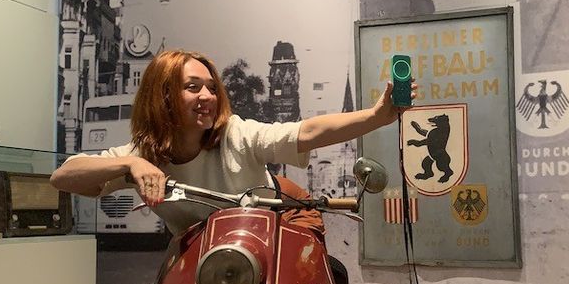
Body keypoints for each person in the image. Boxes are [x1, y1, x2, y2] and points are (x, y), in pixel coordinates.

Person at [51, 49, 414, 236]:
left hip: (276, 226)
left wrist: (376, 117)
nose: (207, 95)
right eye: (193, 87)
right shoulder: (143, 156)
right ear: (161, 97)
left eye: (212, 87)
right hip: (202, 254)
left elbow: (306, 132)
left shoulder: (237, 134)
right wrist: (130, 165)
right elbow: (63, 176)